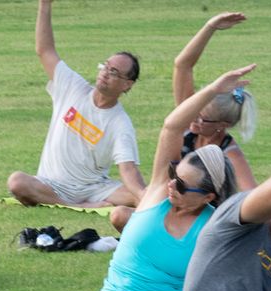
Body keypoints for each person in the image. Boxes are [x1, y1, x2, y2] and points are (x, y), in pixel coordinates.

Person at [70, 65, 252, 291]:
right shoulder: (157, 194)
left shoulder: (213, 225)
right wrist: (214, 89)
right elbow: (172, 126)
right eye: (174, 177)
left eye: (182, 186)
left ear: (207, 197)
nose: (171, 186)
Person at [108, 12, 259, 230]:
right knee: (120, 215)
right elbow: (182, 65)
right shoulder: (189, 125)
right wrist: (210, 27)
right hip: (168, 212)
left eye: (203, 119)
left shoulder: (230, 153)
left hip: (201, 226)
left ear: (222, 125)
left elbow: (252, 199)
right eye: (195, 111)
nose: (193, 120)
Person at [7, 0, 145, 210]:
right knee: (17, 182)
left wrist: (144, 196)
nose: (106, 73)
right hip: (52, 185)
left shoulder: (120, 123)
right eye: (105, 67)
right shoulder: (73, 87)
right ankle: (77, 205)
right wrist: (45, 5)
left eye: (114, 72)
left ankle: (86, 202)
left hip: (94, 188)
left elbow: (128, 170)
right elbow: (44, 50)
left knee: (147, 196)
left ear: (127, 84)